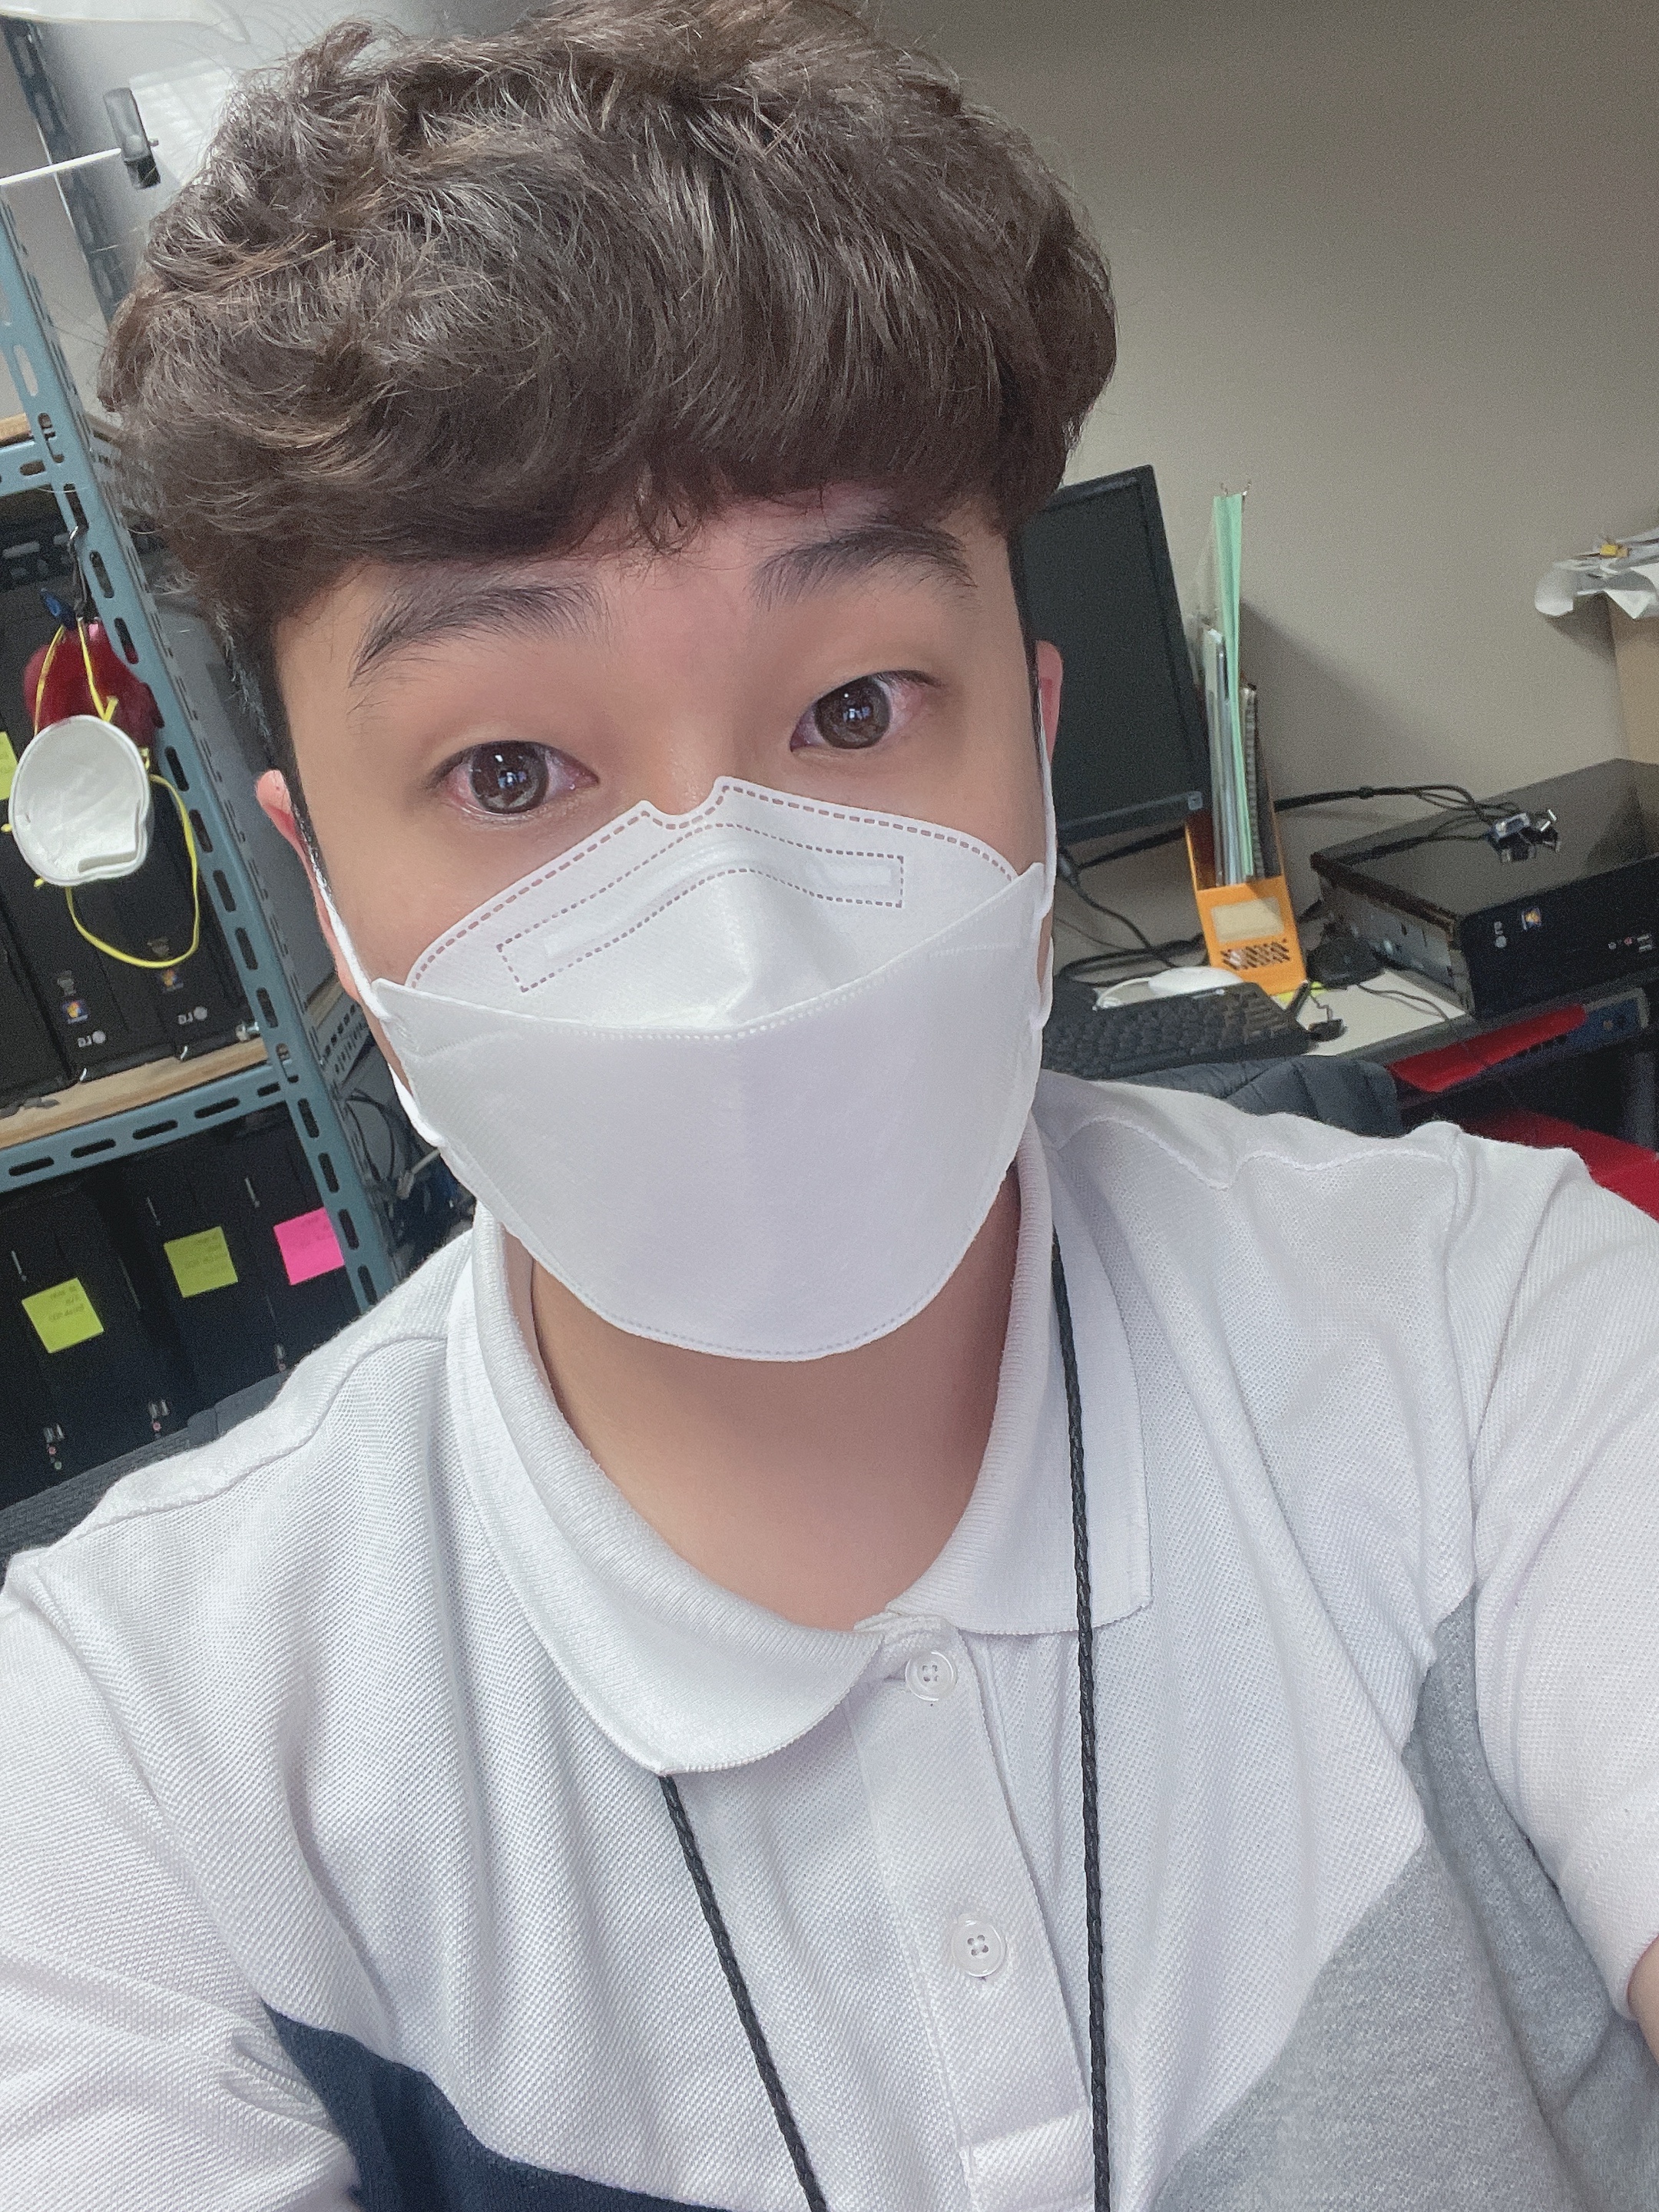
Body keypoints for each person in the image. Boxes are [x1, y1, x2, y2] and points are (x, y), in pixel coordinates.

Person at [2, 2, 1657, 2204]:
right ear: (326, 893)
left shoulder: (1507, 1338)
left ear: (1032, 749)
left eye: (857, 706)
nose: (738, 937)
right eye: (512, 769)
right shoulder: (127, 1760)